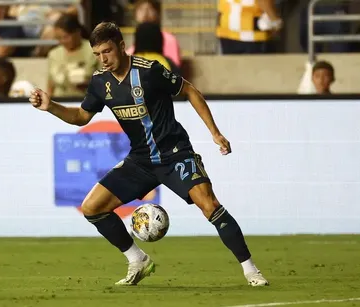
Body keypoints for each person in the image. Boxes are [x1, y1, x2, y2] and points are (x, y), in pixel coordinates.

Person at [29, 22, 269, 287]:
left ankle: (251, 270)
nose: (103, 59)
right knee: (92, 208)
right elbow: (81, 117)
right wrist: (50, 106)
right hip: (141, 160)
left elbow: (189, 89)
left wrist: (215, 133)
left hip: (175, 154)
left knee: (209, 205)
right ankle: (137, 259)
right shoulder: (100, 82)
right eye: (97, 54)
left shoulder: (149, 71)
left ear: (121, 46)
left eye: (107, 51)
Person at [47, 13, 98, 98]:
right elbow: (50, 86)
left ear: (77, 32)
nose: (62, 41)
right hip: (60, 103)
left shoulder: (95, 50)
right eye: (58, 38)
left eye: (65, 37)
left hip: (87, 102)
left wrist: (88, 83)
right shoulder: (54, 54)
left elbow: (107, 82)